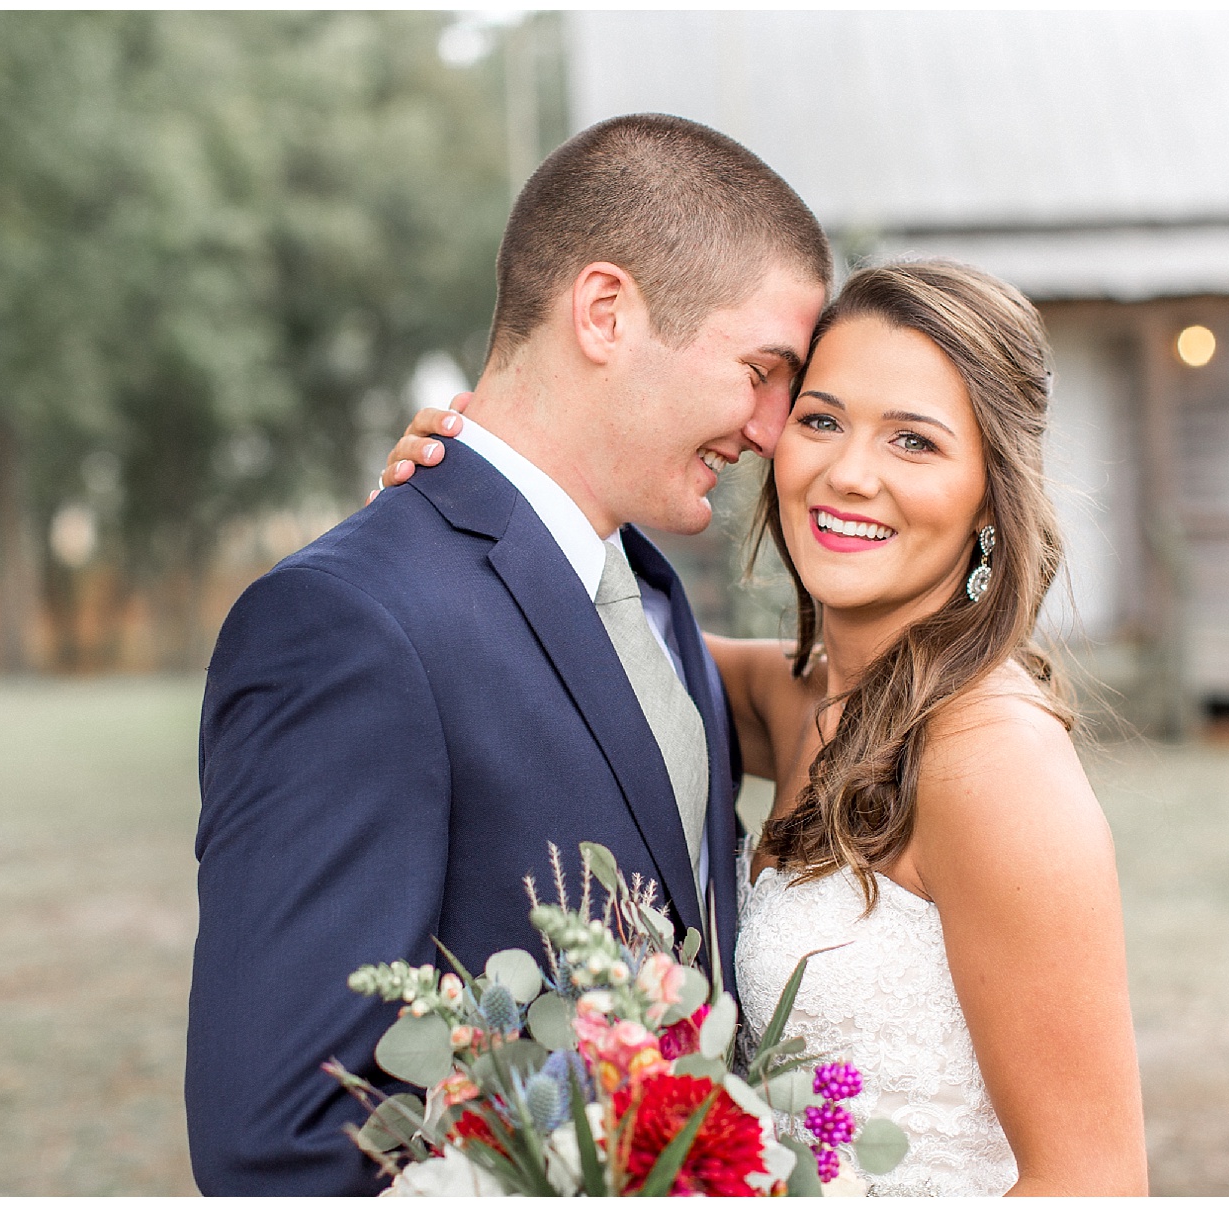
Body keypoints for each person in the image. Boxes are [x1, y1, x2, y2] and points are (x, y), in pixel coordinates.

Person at [381, 261, 1148, 1194]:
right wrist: (476, 485)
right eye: (821, 420)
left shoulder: (994, 760)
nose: (849, 473)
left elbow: (1094, 1180)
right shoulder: (796, 700)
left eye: (914, 441)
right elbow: (573, 639)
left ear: (991, 491)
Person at [188, 112, 830, 1195]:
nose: (772, 430)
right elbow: (280, 1145)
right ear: (606, 312)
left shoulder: (652, 600)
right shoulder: (348, 626)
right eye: (761, 369)